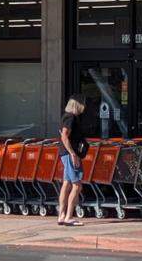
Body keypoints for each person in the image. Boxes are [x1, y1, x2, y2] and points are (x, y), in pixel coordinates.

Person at [57, 95, 88, 226]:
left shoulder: (66, 116)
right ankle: (69, 216)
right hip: (70, 154)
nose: (84, 107)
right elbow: (64, 135)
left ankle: (61, 215)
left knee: (67, 183)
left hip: (65, 153)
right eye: (83, 104)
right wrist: (73, 154)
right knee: (77, 185)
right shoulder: (71, 118)